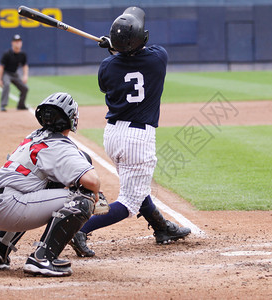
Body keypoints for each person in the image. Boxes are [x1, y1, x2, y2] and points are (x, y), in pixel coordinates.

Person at [69, 7, 191, 258]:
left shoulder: (106, 67)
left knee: (136, 186)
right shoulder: (159, 59)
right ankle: (78, 229)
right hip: (138, 138)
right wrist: (117, 49)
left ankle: (161, 227)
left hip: (113, 135)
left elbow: (110, 79)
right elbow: (140, 54)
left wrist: (114, 52)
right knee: (128, 204)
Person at [0, 92, 101, 277]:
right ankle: (43, 258)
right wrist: (96, 196)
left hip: (6, 201)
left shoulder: (34, 136)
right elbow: (92, 180)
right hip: (9, 207)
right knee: (82, 199)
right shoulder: (59, 145)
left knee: (42, 186)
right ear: (71, 119)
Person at [0, 34, 29, 111]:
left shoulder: (22, 54)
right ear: (12, 43)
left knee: (25, 88)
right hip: (6, 73)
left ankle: (21, 105)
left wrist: (25, 75)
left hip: (14, 74)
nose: (17, 43)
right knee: (7, 84)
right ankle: (3, 105)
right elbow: (1, 67)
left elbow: (25, 65)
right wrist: (0, 79)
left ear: (21, 43)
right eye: (16, 41)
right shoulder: (7, 53)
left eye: (19, 41)